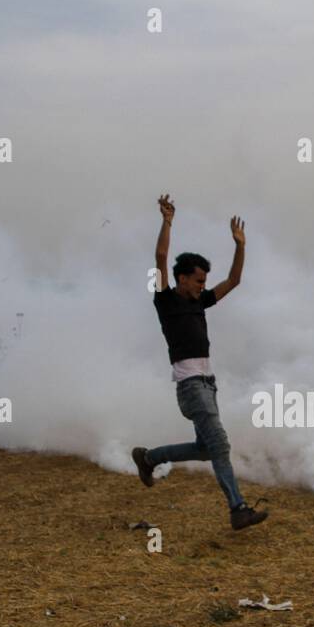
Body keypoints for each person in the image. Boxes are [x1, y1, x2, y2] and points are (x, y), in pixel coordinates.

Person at [131, 194, 269, 531]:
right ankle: (238, 509)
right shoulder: (165, 300)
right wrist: (167, 221)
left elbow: (233, 281)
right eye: (198, 281)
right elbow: (161, 256)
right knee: (220, 445)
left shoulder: (200, 302)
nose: (203, 286)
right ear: (182, 279)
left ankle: (149, 458)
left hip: (208, 383)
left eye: (205, 282)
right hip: (191, 386)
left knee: (206, 450)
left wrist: (240, 246)